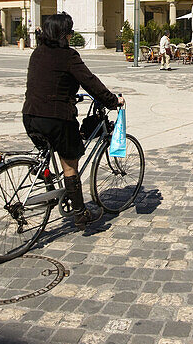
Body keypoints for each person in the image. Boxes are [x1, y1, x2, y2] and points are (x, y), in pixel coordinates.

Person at [23, 13, 123, 229]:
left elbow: (47, 81)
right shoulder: (68, 56)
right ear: (64, 34)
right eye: (70, 31)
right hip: (56, 119)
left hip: (30, 116)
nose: (71, 35)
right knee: (70, 164)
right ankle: (80, 214)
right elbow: (90, 81)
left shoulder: (37, 53)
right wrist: (113, 101)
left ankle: (50, 188)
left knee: (49, 153)